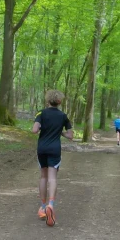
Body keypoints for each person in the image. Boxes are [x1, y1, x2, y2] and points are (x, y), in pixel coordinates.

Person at [32, 90, 74, 227]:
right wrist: (59, 132)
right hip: (55, 149)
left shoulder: (41, 113)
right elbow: (70, 136)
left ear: (47, 101)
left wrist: (42, 127)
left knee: (43, 177)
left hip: (42, 149)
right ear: (60, 102)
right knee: (53, 178)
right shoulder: (63, 116)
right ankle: (51, 204)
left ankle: (43, 207)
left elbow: (34, 130)